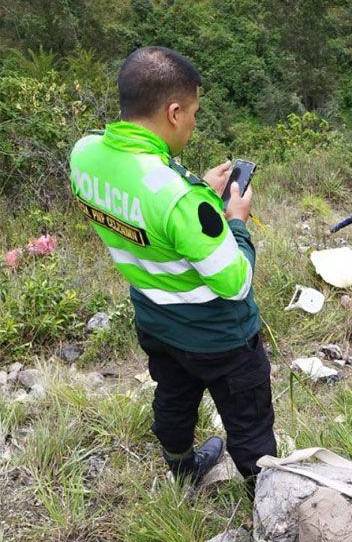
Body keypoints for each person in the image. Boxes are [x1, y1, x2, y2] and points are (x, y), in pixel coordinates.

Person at [68, 47, 276, 493]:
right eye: (194, 113)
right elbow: (235, 281)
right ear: (174, 111)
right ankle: (267, 497)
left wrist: (194, 185)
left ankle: (182, 468)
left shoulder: (83, 155)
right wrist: (234, 221)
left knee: (174, 399)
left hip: (156, 319)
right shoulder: (182, 201)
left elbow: (144, 199)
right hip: (218, 337)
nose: (195, 123)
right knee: (249, 421)